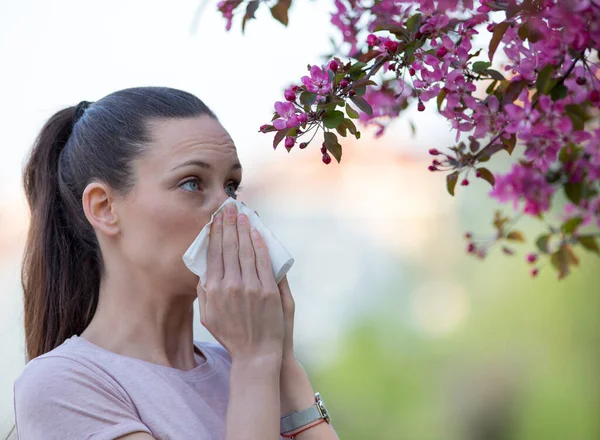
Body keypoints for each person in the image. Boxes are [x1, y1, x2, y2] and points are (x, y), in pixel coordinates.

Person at [11, 87, 339, 440]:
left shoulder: (241, 362)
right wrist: (256, 364)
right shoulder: (65, 385)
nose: (229, 209)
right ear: (104, 208)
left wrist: (281, 360)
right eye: (192, 183)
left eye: (231, 186)